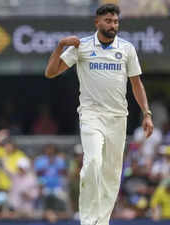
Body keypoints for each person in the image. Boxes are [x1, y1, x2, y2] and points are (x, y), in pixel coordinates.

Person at [44, 4, 154, 225]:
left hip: (118, 118)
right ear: (97, 23)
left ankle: (101, 222)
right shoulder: (81, 47)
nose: (112, 26)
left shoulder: (126, 49)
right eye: (108, 21)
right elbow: (50, 72)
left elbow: (136, 84)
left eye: (115, 22)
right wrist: (60, 46)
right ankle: (87, 220)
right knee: (93, 162)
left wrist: (147, 113)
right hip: (91, 115)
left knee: (112, 176)